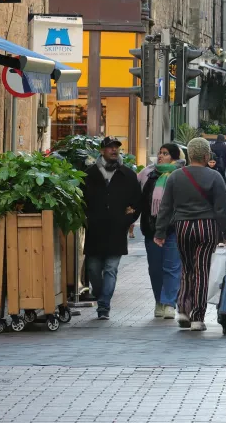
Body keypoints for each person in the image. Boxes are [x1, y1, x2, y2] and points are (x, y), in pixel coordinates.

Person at [154, 138, 226, 331]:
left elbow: (165, 207)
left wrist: (160, 231)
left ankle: (183, 310)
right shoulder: (215, 177)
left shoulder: (175, 176)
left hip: (183, 226)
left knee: (187, 269)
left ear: (189, 155)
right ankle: (197, 317)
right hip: (207, 227)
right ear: (206, 156)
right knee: (202, 271)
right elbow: (222, 207)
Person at [82, 137, 142, 320]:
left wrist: (127, 220)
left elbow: (137, 202)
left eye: (116, 147)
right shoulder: (89, 174)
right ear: (101, 151)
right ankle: (101, 295)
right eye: (110, 147)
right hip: (95, 230)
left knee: (110, 268)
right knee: (93, 269)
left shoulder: (128, 175)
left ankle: (104, 306)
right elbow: (81, 200)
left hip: (117, 230)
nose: (114, 150)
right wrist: (86, 219)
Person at [140, 143, 183, 319]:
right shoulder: (148, 175)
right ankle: (159, 300)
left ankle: (169, 303)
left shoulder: (179, 176)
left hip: (173, 229)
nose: (160, 156)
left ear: (173, 157)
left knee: (172, 268)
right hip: (151, 229)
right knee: (155, 268)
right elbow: (141, 200)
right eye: (159, 153)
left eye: (164, 154)